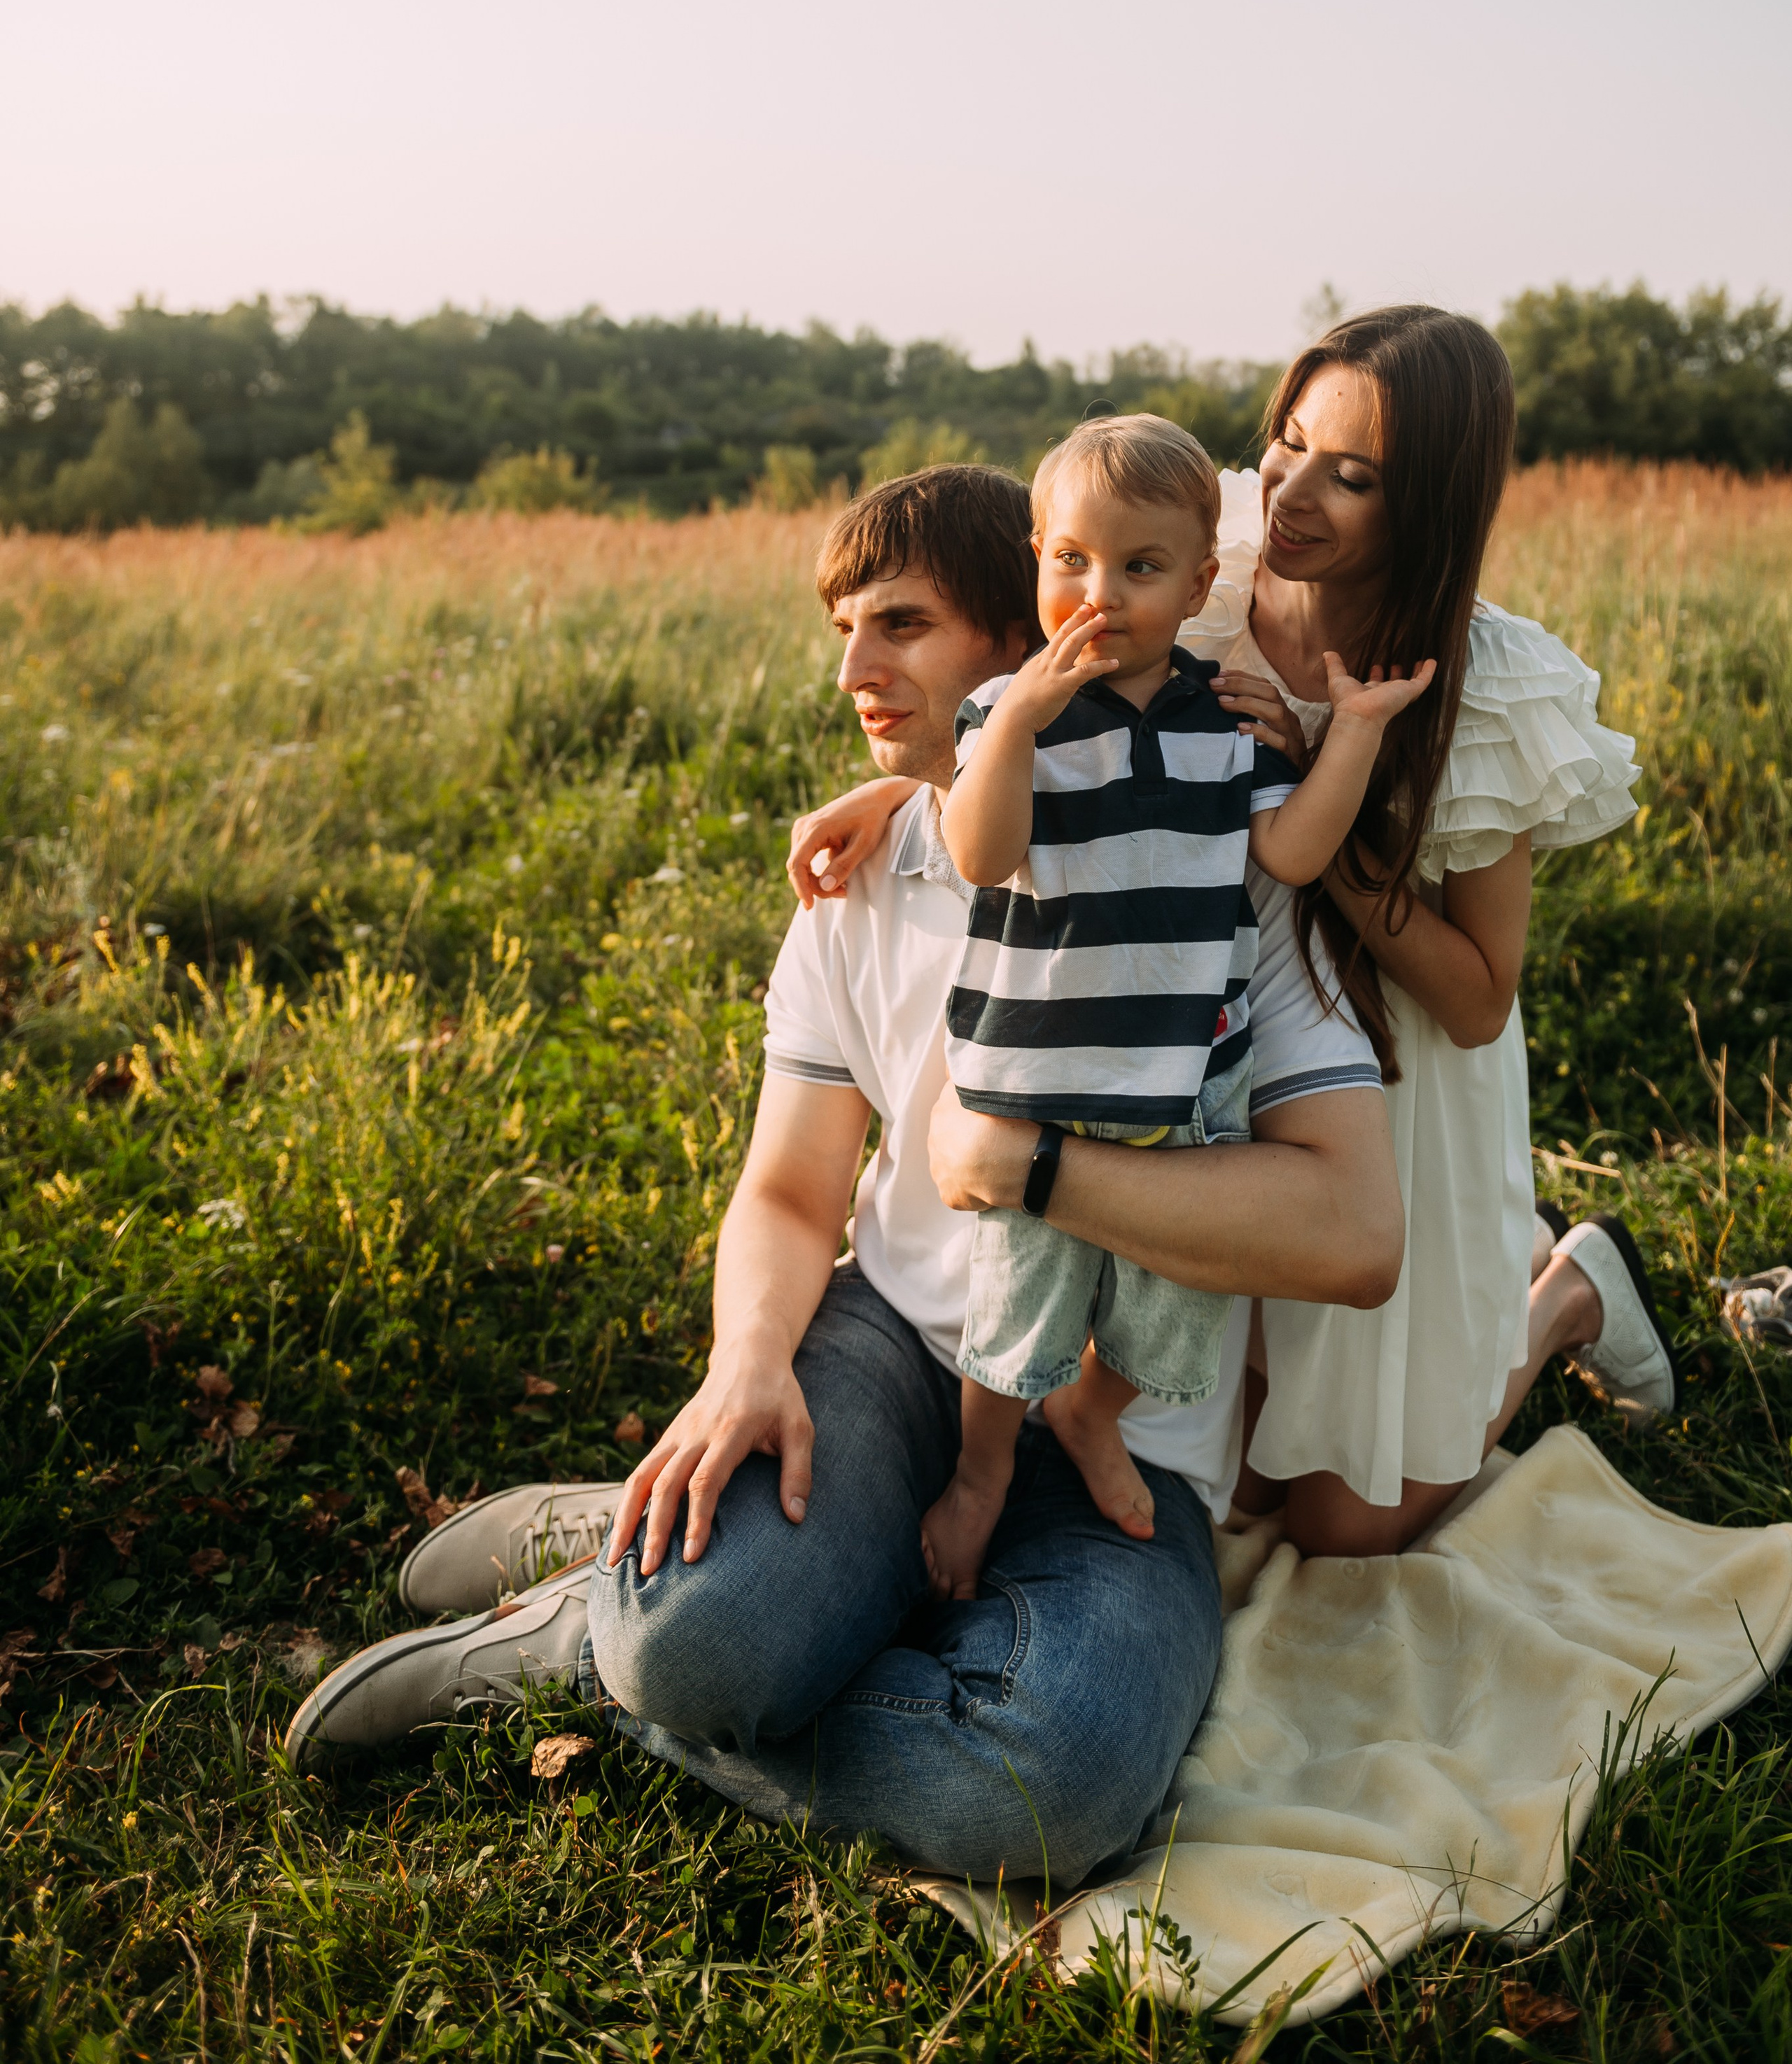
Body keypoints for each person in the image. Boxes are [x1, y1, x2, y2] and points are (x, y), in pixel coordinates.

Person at [287, 463, 1404, 1888]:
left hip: (1121, 1437)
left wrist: (1041, 1173)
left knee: (1050, 1786)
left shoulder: (1225, 872)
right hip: (890, 1350)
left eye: (901, 628)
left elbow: (1350, 1233)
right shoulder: (859, 878)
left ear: (1032, 640)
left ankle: (612, 1635)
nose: (854, 673)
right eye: (843, 632)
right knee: (695, 1643)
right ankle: (624, 1620)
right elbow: (789, 1191)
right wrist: (746, 1362)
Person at [799, 311, 1670, 1563]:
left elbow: (1480, 1000)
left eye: (1353, 477)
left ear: (1426, 504)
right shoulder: (1206, 545)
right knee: (1233, 1451)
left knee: (1343, 1521)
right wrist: (904, 789)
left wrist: (1325, 781)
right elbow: (1060, 704)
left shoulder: (1484, 686)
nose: (1293, 492)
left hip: (1397, 1069)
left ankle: (1570, 1293)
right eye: (1288, 442)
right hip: (1199, 1019)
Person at [925, 414, 1432, 1596]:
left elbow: (1296, 855)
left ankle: (1096, 1415)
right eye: (1070, 562)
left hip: (1186, 1081)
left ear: (1201, 580)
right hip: (1039, 1073)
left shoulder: (1221, 718)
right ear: (1039, 559)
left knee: (1171, 1316)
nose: (1098, 593)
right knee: (1013, 1318)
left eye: (1140, 569)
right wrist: (1014, 726)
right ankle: (981, 1475)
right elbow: (981, 852)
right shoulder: (1006, 715)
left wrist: (1347, 734)